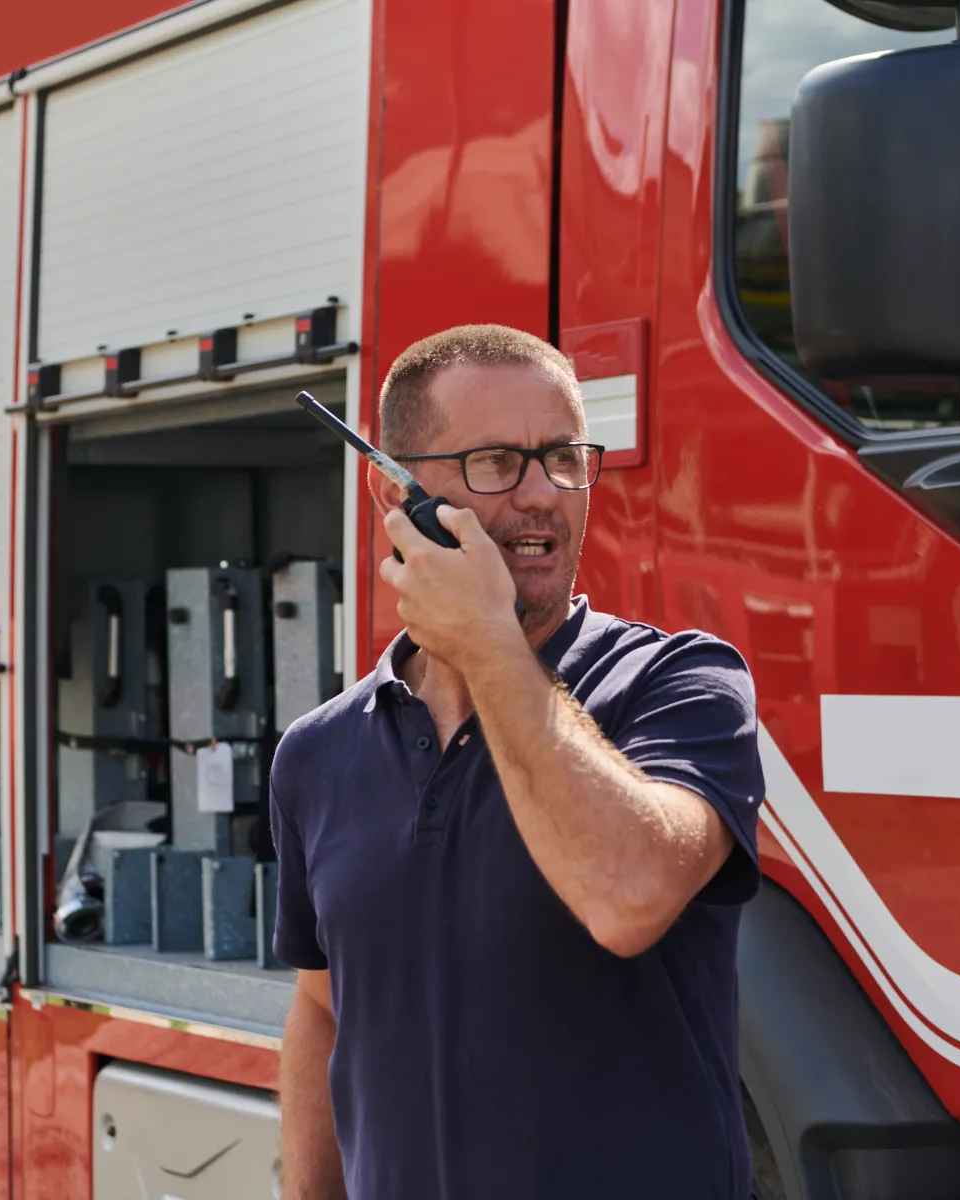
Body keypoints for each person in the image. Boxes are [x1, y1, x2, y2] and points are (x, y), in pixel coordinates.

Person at [270, 324, 765, 1199]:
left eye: (564, 457)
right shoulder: (317, 755)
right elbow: (323, 1008)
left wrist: (491, 645)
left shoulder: (681, 685)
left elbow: (627, 895)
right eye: (498, 461)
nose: (543, 495)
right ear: (397, 494)